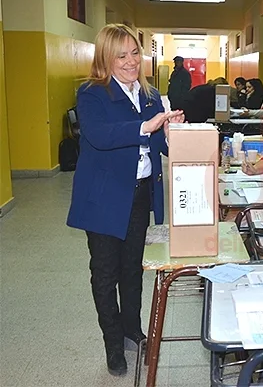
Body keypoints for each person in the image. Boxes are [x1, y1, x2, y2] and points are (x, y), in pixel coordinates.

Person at [66, 24, 185, 377]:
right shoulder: (92, 94)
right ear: (106, 58)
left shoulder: (149, 94)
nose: (131, 61)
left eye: (135, 53)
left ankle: (132, 328)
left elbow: (161, 147)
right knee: (105, 273)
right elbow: (99, 135)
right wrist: (144, 127)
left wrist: (169, 131)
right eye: (122, 55)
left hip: (139, 194)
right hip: (103, 198)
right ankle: (113, 343)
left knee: (133, 268)